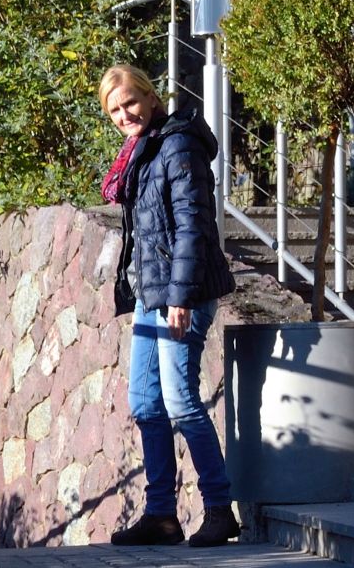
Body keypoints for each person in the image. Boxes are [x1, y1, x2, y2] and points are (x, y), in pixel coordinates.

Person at [98, 63, 238, 548]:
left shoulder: (177, 143)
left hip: (184, 295)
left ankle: (220, 509)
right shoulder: (140, 151)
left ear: (151, 97)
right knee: (145, 403)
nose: (123, 114)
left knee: (180, 401)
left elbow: (193, 224)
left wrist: (179, 297)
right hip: (150, 295)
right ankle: (161, 515)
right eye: (114, 110)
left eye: (130, 103)